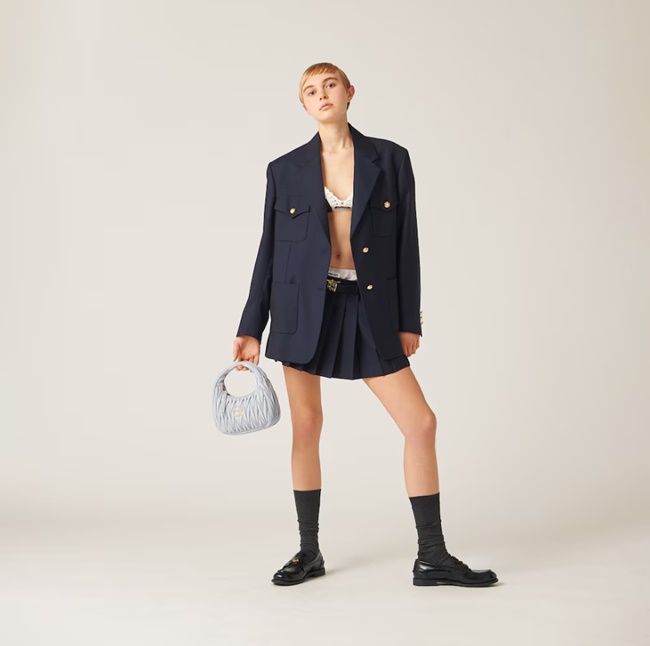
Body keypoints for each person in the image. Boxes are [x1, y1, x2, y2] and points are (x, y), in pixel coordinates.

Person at [232, 62, 498, 587]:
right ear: (304, 105)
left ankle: (432, 555)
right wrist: (250, 326)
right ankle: (308, 551)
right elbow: (269, 251)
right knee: (307, 425)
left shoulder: (390, 159)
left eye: (330, 84)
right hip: (302, 310)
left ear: (349, 92)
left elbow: (407, 242)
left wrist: (407, 318)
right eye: (311, 90)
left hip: (369, 306)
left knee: (421, 424)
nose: (322, 94)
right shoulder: (284, 170)